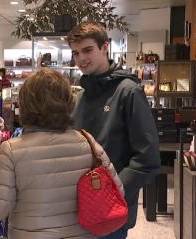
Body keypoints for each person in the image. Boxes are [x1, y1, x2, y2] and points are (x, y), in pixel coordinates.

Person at [0, 69, 123, 239]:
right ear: (68, 102)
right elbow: (117, 192)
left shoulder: (13, 149)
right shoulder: (87, 142)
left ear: (25, 104)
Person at [67, 21, 161, 239]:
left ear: (105, 47)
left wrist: (112, 190)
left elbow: (147, 158)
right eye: (76, 53)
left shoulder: (128, 92)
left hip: (111, 213)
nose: (81, 58)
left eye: (87, 50)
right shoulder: (81, 96)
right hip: (79, 209)